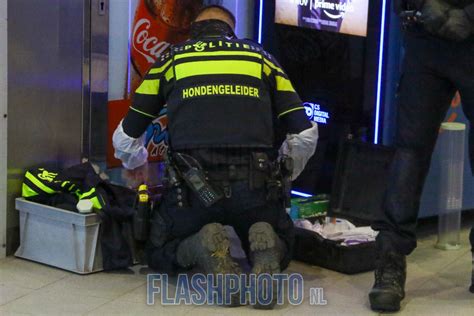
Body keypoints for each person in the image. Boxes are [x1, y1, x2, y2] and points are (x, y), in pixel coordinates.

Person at [113, 5, 318, 309]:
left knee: (158, 250)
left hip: (191, 196)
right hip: (254, 191)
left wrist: (137, 164)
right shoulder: (259, 58)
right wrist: (286, 171)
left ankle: (200, 245)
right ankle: (266, 243)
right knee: (285, 242)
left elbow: (125, 138)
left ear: (194, 28)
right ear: (231, 30)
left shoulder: (172, 59)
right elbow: (304, 134)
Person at [369, 0, 474, 312]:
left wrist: (468, 17)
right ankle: (390, 264)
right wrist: (429, 7)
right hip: (425, 36)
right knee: (410, 153)